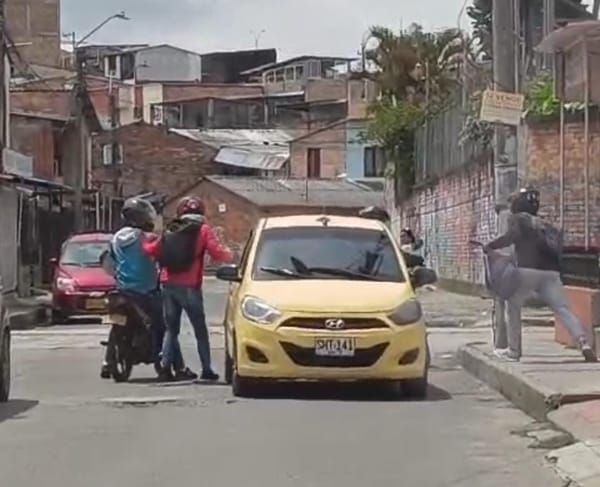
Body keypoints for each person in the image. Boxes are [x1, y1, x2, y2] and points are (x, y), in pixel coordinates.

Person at [485, 187, 596, 363]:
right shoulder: (545, 224)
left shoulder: (518, 219)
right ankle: (584, 343)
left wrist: (490, 246)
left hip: (527, 271)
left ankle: (514, 351)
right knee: (563, 309)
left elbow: (509, 237)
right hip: (551, 273)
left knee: (512, 305)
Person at [100, 197, 191, 380]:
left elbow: (107, 262)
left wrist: (118, 276)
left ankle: (107, 363)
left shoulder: (116, 238)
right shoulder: (148, 238)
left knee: (117, 323)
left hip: (122, 291)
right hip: (146, 291)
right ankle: (178, 367)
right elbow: (163, 257)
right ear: (142, 218)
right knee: (167, 328)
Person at [144, 196, 234, 381]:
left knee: (171, 329)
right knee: (200, 329)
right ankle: (206, 369)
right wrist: (230, 254)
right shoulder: (203, 229)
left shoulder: (171, 228)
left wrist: (145, 240)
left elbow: (151, 250)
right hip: (190, 286)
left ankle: (165, 367)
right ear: (201, 211)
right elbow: (217, 252)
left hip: (167, 283)